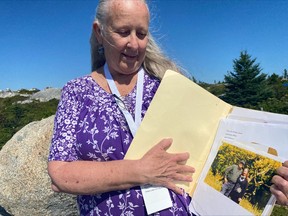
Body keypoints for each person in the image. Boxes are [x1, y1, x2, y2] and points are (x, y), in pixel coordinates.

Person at [47, 0, 195, 215]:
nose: (134, 44)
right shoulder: (76, 91)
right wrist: (140, 171)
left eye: (141, 34)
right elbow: (61, 173)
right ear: (100, 32)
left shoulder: (168, 85)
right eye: (124, 32)